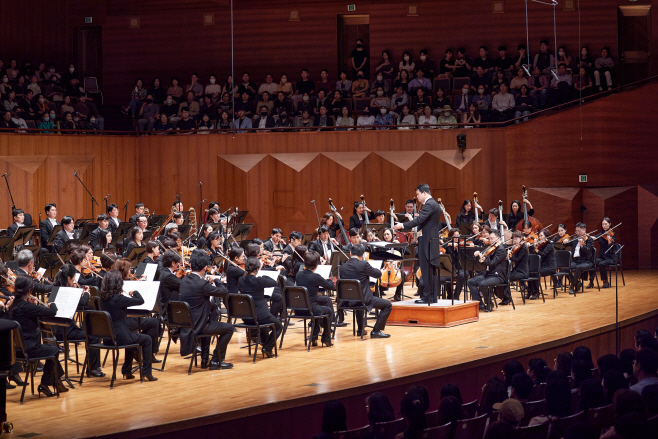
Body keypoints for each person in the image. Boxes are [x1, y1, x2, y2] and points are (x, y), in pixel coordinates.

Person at [10, 275, 68, 396]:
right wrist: (52, 303)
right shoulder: (28, 307)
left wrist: (34, 306)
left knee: (51, 350)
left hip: (16, 350)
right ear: (29, 291)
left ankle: (57, 380)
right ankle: (45, 384)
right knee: (54, 350)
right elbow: (52, 312)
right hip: (30, 349)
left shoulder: (13, 306)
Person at [98, 270, 157, 381]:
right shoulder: (118, 299)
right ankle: (147, 372)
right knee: (147, 339)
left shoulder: (103, 299)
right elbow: (140, 301)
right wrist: (135, 292)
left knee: (132, 336)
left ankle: (127, 371)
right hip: (119, 337)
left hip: (108, 338)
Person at [179, 252, 233, 369]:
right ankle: (216, 360)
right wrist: (216, 280)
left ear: (191, 266)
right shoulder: (203, 284)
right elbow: (223, 292)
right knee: (229, 328)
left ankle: (205, 360)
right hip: (198, 325)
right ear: (205, 268)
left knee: (210, 318)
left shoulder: (183, 281)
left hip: (186, 324)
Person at [393, 184, 442, 303]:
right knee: (430, 270)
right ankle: (432, 296)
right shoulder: (434, 204)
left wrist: (402, 225)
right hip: (431, 240)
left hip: (427, 242)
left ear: (424, 193)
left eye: (418, 194)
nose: (417, 197)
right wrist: (413, 221)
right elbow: (424, 221)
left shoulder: (429, 204)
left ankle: (427, 297)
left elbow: (420, 220)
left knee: (426, 270)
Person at [338, 244, 390, 338]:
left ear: (350, 253)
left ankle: (361, 329)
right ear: (362, 255)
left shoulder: (342, 267)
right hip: (363, 300)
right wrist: (380, 271)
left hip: (347, 301)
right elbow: (377, 274)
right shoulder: (364, 264)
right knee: (388, 305)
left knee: (358, 297)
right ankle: (376, 330)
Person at [237, 257, 282, 358]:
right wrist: (263, 275)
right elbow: (274, 282)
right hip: (260, 316)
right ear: (257, 269)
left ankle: (266, 346)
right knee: (279, 326)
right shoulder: (259, 281)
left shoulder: (241, 280)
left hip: (246, 318)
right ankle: (267, 347)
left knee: (264, 328)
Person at [295, 251, 335, 346]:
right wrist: (327, 279)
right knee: (328, 310)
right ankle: (326, 338)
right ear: (317, 265)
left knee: (323, 302)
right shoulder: (316, 277)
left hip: (298, 309)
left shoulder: (298, 274)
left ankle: (314, 336)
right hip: (310, 309)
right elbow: (331, 286)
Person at [467, 230, 506, 311]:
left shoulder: (501, 249)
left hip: (498, 275)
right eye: (489, 238)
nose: (490, 240)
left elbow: (493, 263)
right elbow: (483, 263)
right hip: (489, 274)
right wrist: (478, 257)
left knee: (483, 284)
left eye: (492, 238)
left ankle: (489, 303)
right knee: (470, 281)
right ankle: (480, 304)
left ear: (498, 238)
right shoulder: (491, 248)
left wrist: (483, 258)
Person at [527, 228, 555, 300]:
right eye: (539, 236)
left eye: (541, 236)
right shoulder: (540, 245)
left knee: (536, 273)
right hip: (542, 266)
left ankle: (536, 292)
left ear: (546, 236)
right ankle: (530, 291)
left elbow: (542, 254)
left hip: (550, 267)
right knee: (530, 273)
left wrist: (536, 250)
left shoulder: (549, 245)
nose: (540, 238)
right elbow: (533, 253)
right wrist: (531, 246)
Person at [589, 217, 616, 289]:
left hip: (610, 257)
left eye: (606, 224)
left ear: (609, 224)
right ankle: (591, 281)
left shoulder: (612, 234)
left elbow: (612, 246)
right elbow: (594, 237)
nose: (604, 226)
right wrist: (589, 237)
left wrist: (610, 241)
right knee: (593, 262)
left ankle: (606, 282)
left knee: (601, 264)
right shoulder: (601, 234)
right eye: (603, 224)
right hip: (602, 257)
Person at [567, 222, 593, 294]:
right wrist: (565, 241)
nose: (577, 233)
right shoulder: (575, 238)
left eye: (579, 231)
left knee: (578, 267)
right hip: (576, 261)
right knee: (565, 268)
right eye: (576, 231)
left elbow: (587, 250)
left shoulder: (589, 239)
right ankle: (577, 283)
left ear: (584, 230)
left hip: (586, 261)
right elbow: (568, 244)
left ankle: (572, 286)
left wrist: (582, 246)